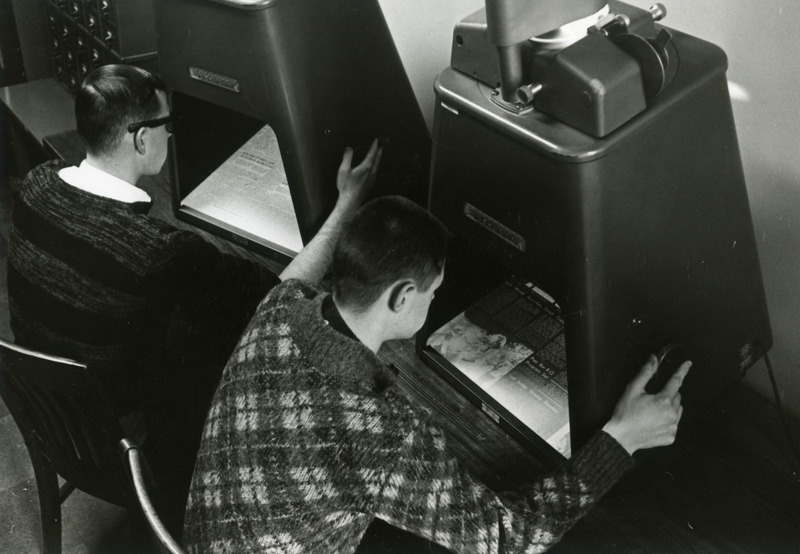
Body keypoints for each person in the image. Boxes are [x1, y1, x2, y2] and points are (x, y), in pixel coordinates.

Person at [183, 194, 691, 553]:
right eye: (433, 292)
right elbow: (507, 537)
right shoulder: (387, 435)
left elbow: (297, 279)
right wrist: (620, 439)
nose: (432, 302)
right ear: (403, 295)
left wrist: (347, 203)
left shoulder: (278, 306)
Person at [6, 63, 383, 534]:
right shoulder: (159, 253)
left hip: (60, 427)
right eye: (167, 126)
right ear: (140, 138)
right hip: (129, 447)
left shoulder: (39, 184)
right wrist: (346, 207)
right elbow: (280, 296)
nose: (172, 136)